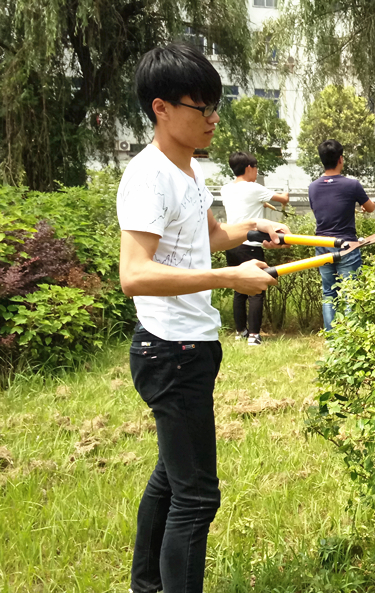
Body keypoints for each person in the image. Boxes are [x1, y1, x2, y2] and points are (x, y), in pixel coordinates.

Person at [116, 44, 290, 593]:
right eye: (202, 108)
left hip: (193, 344)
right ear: (161, 108)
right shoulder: (147, 177)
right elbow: (136, 275)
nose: (214, 118)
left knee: (171, 478)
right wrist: (227, 279)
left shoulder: (189, 171)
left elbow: (208, 238)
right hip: (170, 351)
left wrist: (253, 229)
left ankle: (145, 586)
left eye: (215, 106)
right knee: (196, 497)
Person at [221, 151, 289, 345]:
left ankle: (240, 331)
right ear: (249, 168)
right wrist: (285, 195)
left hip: (231, 244)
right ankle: (254, 336)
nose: (256, 172)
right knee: (256, 290)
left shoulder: (226, 189)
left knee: (239, 288)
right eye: (256, 168)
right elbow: (282, 199)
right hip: (250, 245)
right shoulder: (253, 188)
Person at [308, 139, 375, 332]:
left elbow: (319, 209)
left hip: (321, 242)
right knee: (350, 293)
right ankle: (351, 337)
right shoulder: (352, 185)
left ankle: (332, 338)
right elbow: (370, 207)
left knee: (328, 292)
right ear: (341, 159)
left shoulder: (313, 187)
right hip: (347, 244)